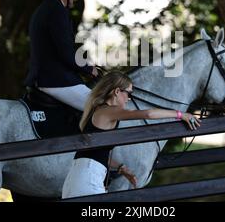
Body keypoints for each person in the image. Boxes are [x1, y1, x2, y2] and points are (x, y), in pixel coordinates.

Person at [61, 71, 201, 199]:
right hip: (88, 179)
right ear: (117, 91)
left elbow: (94, 154)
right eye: (128, 93)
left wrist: (121, 168)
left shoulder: (97, 110)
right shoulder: (109, 111)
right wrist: (181, 114)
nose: (128, 98)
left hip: (79, 178)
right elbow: (148, 114)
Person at [25, 0, 98, 111]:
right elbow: (66, 53)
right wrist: (89, 69)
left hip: (46, 77)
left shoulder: (46, 8)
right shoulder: (57, 11)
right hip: (57, 80)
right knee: (103, 110)